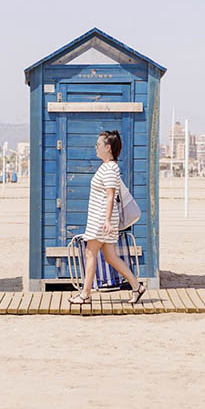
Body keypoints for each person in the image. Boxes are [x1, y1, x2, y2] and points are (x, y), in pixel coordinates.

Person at [69, 130, 145, 306]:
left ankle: (85, 295)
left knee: (90, 253)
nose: (96, 148)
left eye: (98, 145)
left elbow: (111, 195)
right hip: (102, 219)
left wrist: (108, 221)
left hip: (102, 220)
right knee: (110, 257)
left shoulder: (110, 168)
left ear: (107, 147)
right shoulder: (107, 167)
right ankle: (136, 286)